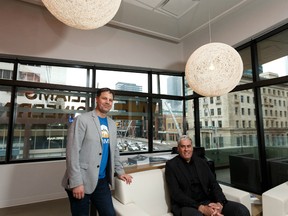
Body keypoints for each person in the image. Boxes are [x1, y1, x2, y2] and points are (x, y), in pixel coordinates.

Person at [62, 87, 133, 216]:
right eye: (104, 98)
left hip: (102, 181)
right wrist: (77, 182)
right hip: (82, 180)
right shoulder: (82, 120)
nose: (107, 102)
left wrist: (120, 171)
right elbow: (72, 152)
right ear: (96, 99)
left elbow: (114, 150)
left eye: (110, 100)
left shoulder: (112, 124)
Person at [165, 135, 250, 216]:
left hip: (207, 201)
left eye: (188, 146)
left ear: (192, 148)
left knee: (241, 210)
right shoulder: (171, 166)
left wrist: (219, 204)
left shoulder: (201, 162)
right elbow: (176, 194)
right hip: (186, 206)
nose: (186, 149)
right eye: (183, 146)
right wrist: (201, 208)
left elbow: (214, 184)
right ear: (178, 148)